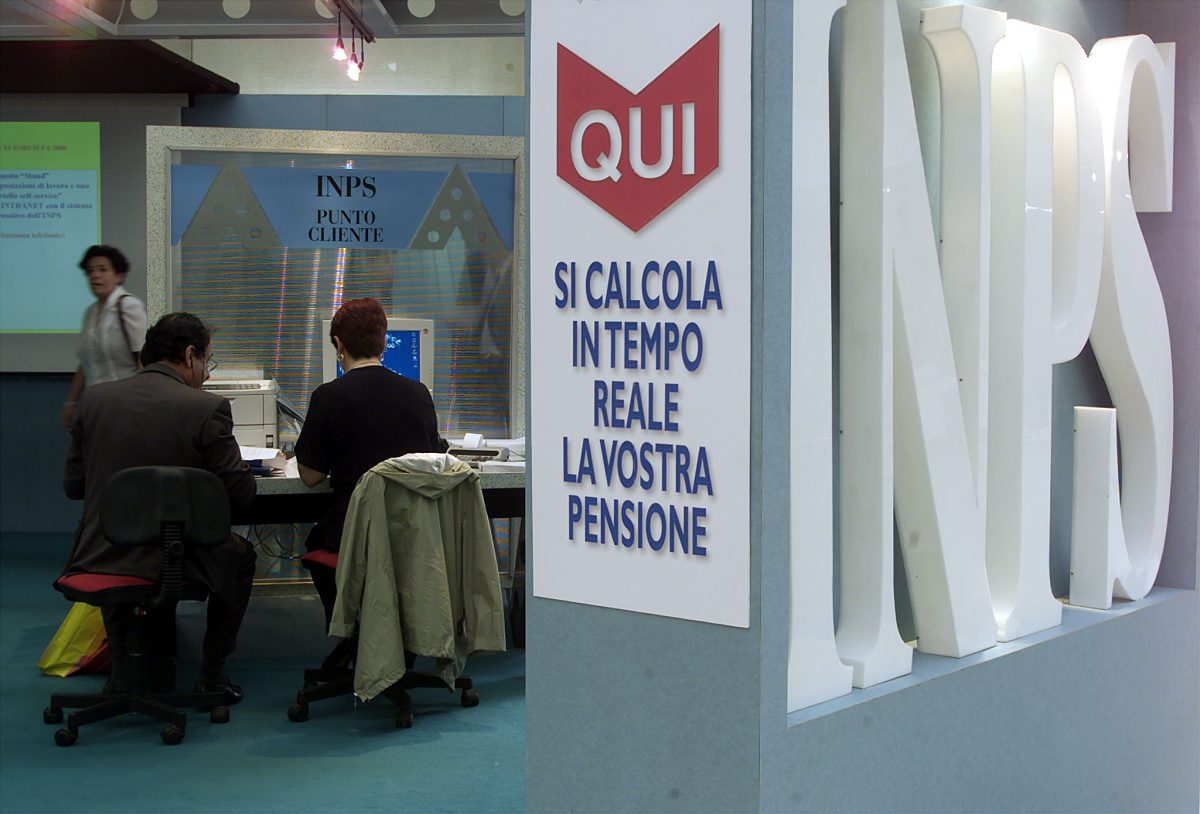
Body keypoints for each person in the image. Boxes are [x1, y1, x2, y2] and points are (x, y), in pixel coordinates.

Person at [61, 312, 256, 701]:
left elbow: (73, 486)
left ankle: (122, 672)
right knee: (240, 555)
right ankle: (213, 674)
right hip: (177, 559)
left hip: (103, 553)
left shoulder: (94, 400)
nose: (207, 374)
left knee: (122, 546)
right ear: (189, 355)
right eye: (207, 361)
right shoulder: (207, 408)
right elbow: (242, 495)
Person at [295, 297, 444, 622]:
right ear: (383, 342)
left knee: (317, 540)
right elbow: (432, 461)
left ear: (339, 344)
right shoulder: (419, 394)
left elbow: (310, 476)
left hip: (353, 534)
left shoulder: (328, 397)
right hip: (410, 534)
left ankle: (349, 630)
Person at [60, 245, 148, 431]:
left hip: (126, 403)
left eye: (103, 269)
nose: (95, 275)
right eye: (90, 271)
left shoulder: (129, 306)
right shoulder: (90, 312)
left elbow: (142, 358)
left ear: (119, 275)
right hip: (93, 404)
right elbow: (86, 362)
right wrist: (70, 403)